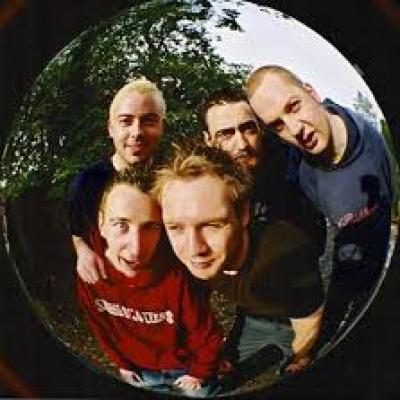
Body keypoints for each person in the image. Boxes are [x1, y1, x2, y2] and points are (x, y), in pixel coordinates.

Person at [152, 142, 324, 381]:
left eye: (212, 225)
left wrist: (299, 357)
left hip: (293, 318)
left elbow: (309, 319)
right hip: (251, 318)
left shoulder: (286, 250)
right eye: (176, 227)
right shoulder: (177, 254)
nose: (194, 249)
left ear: (243, 214)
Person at [246, 65, 396, 340]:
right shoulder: (298, 166)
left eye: (294, 107)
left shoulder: (369, 141)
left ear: (312, 93)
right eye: (278, 125)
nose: (295, 130)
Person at [76, 165, 223, 397]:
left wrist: (200, 372)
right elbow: (100, 327)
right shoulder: (90, 273)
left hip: (187, 369)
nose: (136, 249)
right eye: (121, 225)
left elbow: (206, 334)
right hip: (140, 374)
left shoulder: (176, 276)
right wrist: (121, 364)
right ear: (101, 224)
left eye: (150, 227)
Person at [69, 78, 166, 284]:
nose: (137, 132)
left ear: (162, 126)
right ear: (111, 128)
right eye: (126, 121)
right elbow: (76, 231)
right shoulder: (86, 183)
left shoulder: (173, 180)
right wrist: (82, 251)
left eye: (148, 121)